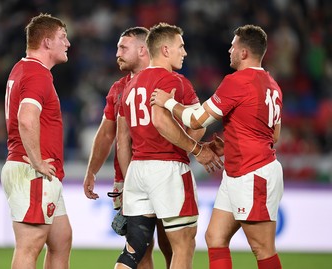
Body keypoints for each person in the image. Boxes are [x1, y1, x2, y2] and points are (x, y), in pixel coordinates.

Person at [150, 24, 283, 269]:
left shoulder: (238, 81)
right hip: (238, 172)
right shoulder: (271, 85)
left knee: (262, 248)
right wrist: (232, 144)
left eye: (233, 46)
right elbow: (273, 134)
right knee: (215, 237)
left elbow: (196, 119)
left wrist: (168, 102)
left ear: (243, 53)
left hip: (253, 173)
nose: (229, 50)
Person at [115, 22, 223, 269]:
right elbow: (171, 122)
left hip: (137, 171)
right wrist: (198, 149)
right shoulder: (176, 81)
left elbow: (124, 139)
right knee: (183, 246)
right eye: (180, 47)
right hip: (168, 169)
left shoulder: (130, 86)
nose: (184, 52)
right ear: (165, 50)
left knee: (135, 252)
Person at [83, 26, 179, 269]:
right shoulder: (118, 88)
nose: (117, 53)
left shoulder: (168, 81)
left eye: (123, 47)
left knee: (171, 244)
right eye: (117, 48)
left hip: (163, 174)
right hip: (128, 180)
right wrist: (92, 170)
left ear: (143, 49)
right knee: (141, 249)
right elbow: (107, 133)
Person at [1, 13, 72, 269]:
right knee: (30, 245)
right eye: (62, 37)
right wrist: (37, 161)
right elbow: (26, 119)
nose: (68, 43)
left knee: (61, 240)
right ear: (46, 42)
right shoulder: (37, 74)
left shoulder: (22, 68)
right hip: (32, 172)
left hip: (38, 173)